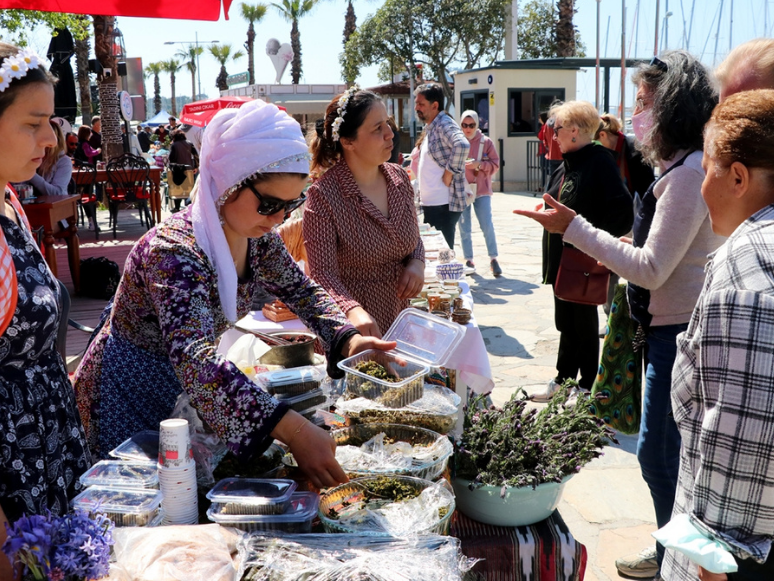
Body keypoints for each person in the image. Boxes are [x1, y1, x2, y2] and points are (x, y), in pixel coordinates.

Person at [73, 98, 393, 489]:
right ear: (227, 186)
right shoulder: (172, 251)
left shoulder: (256, 239)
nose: (279, 219)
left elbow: (303, 291)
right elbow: (192, 356)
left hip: (190, 387)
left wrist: (348, 338)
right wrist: (291, 430)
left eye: (292, 204)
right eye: (270, 204)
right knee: (150, 500)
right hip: (132, 391)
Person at [515, 53, 722, 580]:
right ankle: (671, 550)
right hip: (663, 330)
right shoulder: (680, 169)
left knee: (660, 458)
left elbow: (652, 269)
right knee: (660, 456)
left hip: (676, 335)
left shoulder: (687, 171)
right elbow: (661, 250)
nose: (635, 114)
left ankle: (676, 556)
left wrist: (574, 229)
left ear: (674, 106)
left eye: (644, 102)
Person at [662, 89, 774, 581]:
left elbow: (742, 428)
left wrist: (711, 558)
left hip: (745, 553)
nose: (701, 183)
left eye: (706, 169)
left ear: (737, 177)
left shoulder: (747, 263)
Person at [0, 42, 91, 580]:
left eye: (51, 120)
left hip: (45, 452)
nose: (50, 139)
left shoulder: (10, 200)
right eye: (32, 123)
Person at [513, 99, 633, 399]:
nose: (553, 135)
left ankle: (585, 385)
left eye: (558, 129)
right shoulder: (567, 161)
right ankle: (563, 379)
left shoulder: (599, 160)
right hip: (562, 259)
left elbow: (622, 213)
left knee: (583, 324)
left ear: (576, 131)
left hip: (582, 261)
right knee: (566, 323)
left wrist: (592, 239)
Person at [304, 87, 424, 338]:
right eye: (377, 128)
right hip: (352, 333)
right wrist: (352, 310)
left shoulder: (400, 178)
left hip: (401, 320)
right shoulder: (323, 196)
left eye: (388, 124)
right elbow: (321, 274)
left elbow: (414, 237)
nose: (390, 133)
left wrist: (416, 262)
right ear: (348, 141)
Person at [594, 113, 655, 317]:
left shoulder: (635, 148)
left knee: (633, 268)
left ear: (603, 135)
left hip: (637, 219)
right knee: (608, 268)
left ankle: (634, 315)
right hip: (612, 220)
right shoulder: (601, 154)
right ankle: (611, 316)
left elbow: (648, 190)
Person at [414, 82, 469, 248]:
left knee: (443, 257)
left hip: (443, 204)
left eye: (421, 104)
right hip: (434, 205)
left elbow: (462, 145)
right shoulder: (433, 126)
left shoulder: (444, 123)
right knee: (436, 254)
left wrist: (449, 172)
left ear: (435, 105)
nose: (417, 107)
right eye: (416, 103)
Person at [456, 109, 502, 277]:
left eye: (471, 125)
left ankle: (493, 259)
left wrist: (479, 165)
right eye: (464, 125)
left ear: (477, 125)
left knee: (486, 225)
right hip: (463, 190)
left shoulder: (486, 142)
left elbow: (496, 164)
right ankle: (469, 260)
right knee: (464, 227)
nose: (467, 128)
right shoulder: (457, 142)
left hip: (481, 190)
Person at [20, 120, 73, 197]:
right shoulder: (32, 157)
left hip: (56, 206)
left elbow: (57, 193)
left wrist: (31, 173)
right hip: (31, 204)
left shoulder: (64, 161)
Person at [167, 130, 198, 211]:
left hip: (178, 170)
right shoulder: (189, 143)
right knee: (189, 187)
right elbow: (195, 155)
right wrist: (196, 167)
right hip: (189, 169)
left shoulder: (174, 145)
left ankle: (177, 207)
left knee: (178, 187)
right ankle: (188, 206)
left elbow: (171, 158)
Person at [538, 113, 563, 189]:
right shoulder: (562, 122)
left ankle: (548, 194)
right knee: (563, 178)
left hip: (552, 155)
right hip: (562, 155)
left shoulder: (547, 124)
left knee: (553, 178)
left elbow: (544, 141)